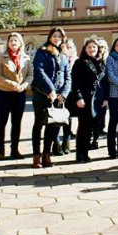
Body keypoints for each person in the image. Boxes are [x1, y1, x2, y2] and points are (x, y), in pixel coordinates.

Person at [31, 27, 71, 169]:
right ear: (50, 37)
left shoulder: (64, 55)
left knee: (54, 125)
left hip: (58, 97)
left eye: (59, 36)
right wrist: (50, 90)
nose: (56, 38)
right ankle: (36, 156)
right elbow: (39, 71)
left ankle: (46, 155)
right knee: (39, 124)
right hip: (42, 94)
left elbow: (68, 77)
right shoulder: (43, 52)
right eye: (54, 36)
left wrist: (63, 94)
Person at [0, 32, 32, 160]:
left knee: (16, 123)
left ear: (20, 43)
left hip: (20, 94)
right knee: (1, 122)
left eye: (16, 40)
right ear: (8, 43)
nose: (13, 43)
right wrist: (12, 84)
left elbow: (31, 75)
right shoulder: (1, 57)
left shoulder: (26, 58)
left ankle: (14, 150)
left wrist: (24, 85)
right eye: (11, 41)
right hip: (3, 94)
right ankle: (1, 151)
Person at [69, 38, 105, 163]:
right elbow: (75, 83)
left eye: (94, 47)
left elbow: (104, 82)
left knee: (92, 128)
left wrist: (105, 98)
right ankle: (80, 154)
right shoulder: (79, 63)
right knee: (83, 127)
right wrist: (78, 98)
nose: (92, 49)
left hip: (97, 100)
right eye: (89, 47)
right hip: (85, 99)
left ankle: (86, 153)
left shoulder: (101, 63)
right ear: (85, 49)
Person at [52, 37, 77, 156]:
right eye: (66, 47)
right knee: (56, 119)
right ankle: (56, 144)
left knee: (68, 119)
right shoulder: (59, 59)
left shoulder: (77, 61)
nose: (68, 49)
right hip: (59, 94)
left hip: (71, 94)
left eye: (71, 47)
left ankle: (66, 143)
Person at [91, 38, 109, 151]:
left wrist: (106, 98)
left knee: (99, 118)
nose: (101, 49)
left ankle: (95, 140)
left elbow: (107, 82)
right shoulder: (91, 60)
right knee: (90, 118)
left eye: (103, 47)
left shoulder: (107, 61)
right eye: (99, 47)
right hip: (91, 93)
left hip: (102, 93)